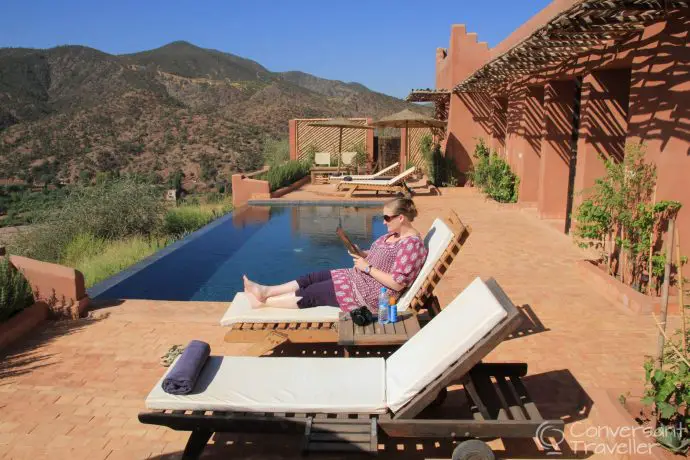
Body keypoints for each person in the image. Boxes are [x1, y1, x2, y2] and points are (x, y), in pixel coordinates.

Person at [242, 197, 428, 313]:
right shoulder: (396, 235)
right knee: (312, 277)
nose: (383, 222)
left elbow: (397, 282)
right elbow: (383, 255)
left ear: (401, 218)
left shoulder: (412, 246)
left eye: (387, 218)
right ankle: (266, 291)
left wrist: (368, 268)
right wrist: (362, 252)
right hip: (358, 277)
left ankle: (265, 303)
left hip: (369, 293)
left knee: (312, 294)